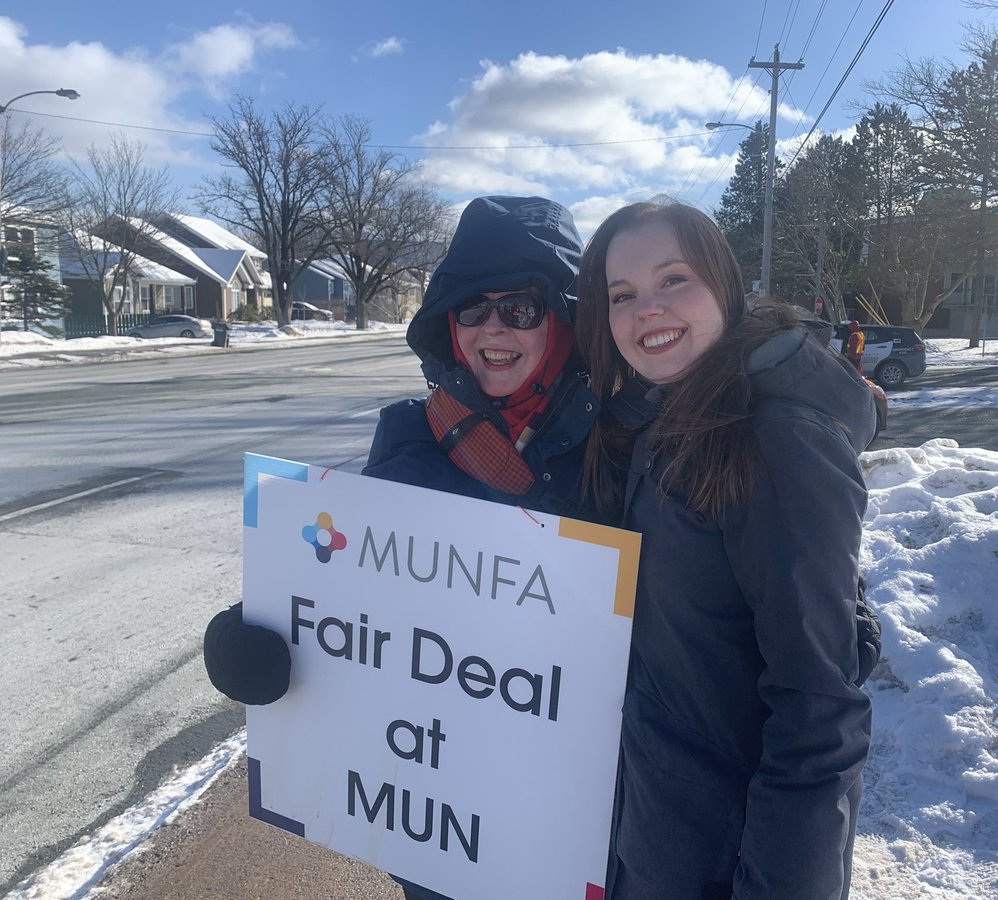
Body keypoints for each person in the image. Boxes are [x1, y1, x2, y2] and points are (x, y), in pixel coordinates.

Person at [575, 201, 876, 900]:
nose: (647, 308)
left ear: (724, 283)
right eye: (622, 294)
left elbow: (818, 712)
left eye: (672, 279)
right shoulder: (660, 421)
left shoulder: (777, 439)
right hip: (658, 835)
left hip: (728, 862)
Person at [204, 195, 597, 706]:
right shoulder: (410, 435)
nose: (493, 327)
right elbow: (345, 581)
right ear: (450, 322)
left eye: (521, 308)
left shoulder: (619, 447)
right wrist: (244, 642)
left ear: (564, 321)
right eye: (473, 306)